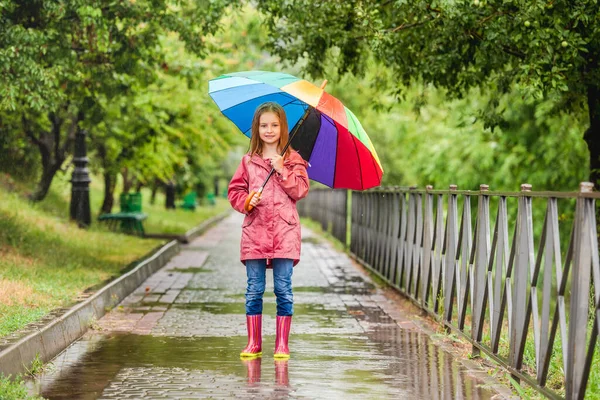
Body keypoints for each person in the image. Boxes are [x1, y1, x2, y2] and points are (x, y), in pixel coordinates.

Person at [228, 102, 309, 359]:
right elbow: (235, 192)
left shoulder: (294, 160)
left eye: (274, 125)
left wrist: (282, 169)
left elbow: (300, 191)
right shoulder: (248, 161)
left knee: (283, 289)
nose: (269, 130)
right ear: (257, 128)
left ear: (283, 127)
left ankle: (282, 344)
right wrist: (246, 201)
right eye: (264, 125)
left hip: (285, 234)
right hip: (255, 233)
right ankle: (254, 342)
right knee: (254, 289)